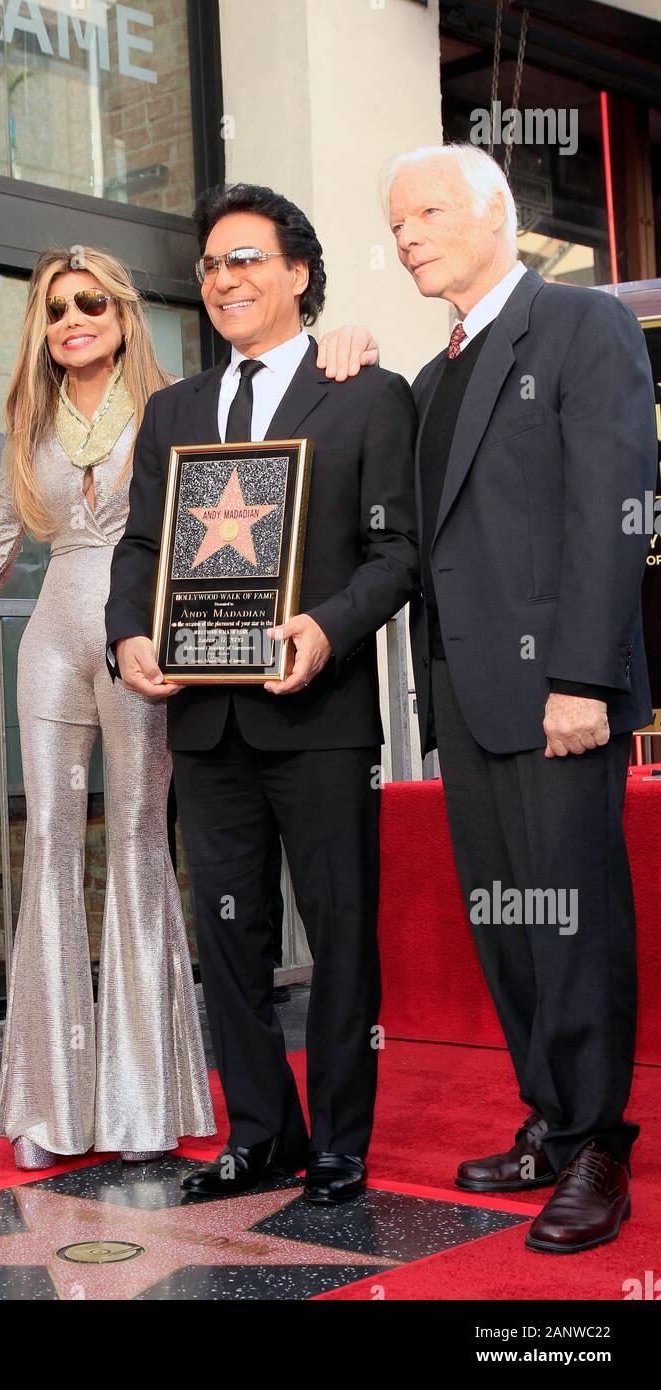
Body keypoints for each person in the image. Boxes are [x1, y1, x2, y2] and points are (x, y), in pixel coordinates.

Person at [0, 247, 377, 1171]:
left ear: (121, 314)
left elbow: (263, 486)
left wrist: (347, 337)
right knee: (49, 857)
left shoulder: (182, 404)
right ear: (42, 323)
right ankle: (53, 1109)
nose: (74, 317)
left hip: (144, 647)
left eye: (93, 302)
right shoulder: (24, 430)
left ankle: (143, 1108)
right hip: (50, 656)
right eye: (57, 306)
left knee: (144, 849)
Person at [105, 184, 418, 1205]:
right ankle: (258, 1133)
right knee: (228, 937)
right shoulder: (174, 411)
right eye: (209, 266)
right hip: (205, 718)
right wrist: (128, 636)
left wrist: (325, 628)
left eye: (244, 259)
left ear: (297, 273)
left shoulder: (368, 393)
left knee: (338, 931)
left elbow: (397, 552)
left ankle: (337, 1139)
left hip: (318, 716)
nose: (223, 279)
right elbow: (143, 547)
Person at [384, 143, 656, 1253]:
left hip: (559, 692)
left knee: (574, 921)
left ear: (498, 212)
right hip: (469, 697)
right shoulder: (434, 373)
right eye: (394, 221)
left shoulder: (584, 327)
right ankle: (549, 1116)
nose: (406, 234)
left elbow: (614, 506)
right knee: (510, 923)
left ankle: (600, 1145)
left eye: (428, 211)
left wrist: (586, 676)